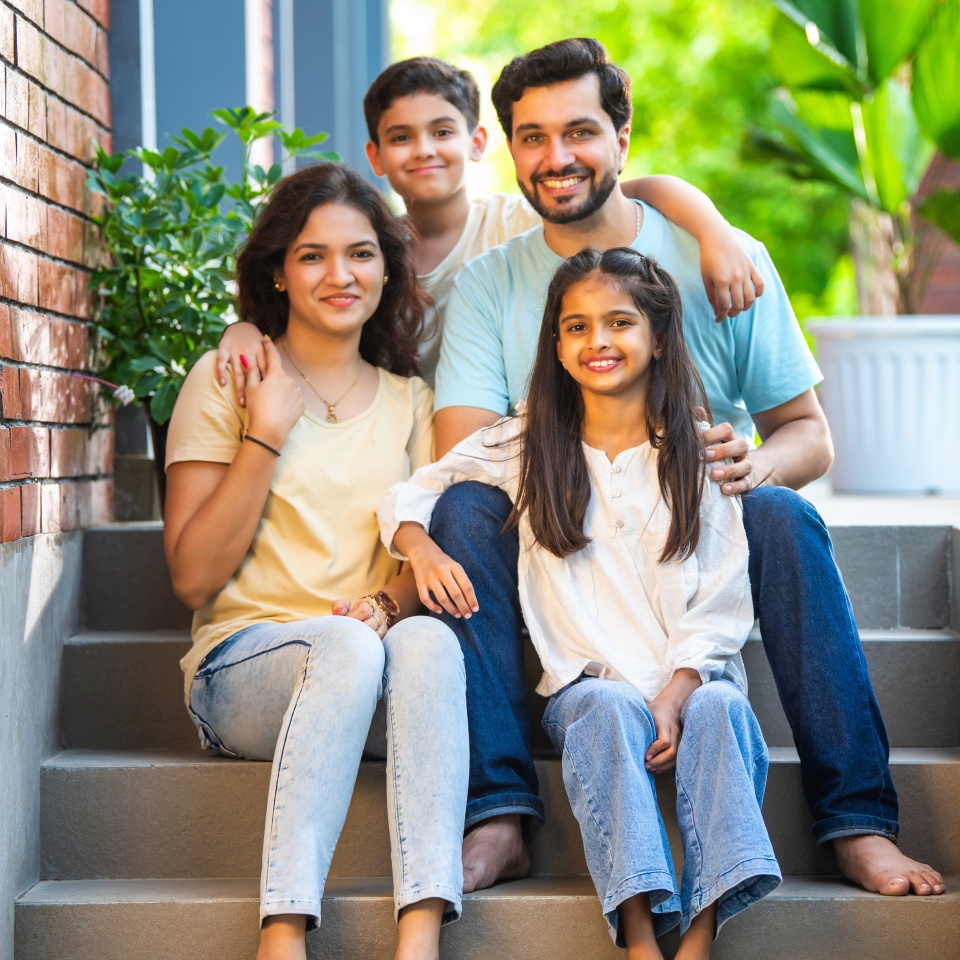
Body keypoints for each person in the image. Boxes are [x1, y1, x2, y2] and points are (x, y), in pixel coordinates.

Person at [429, 37, 945, 898]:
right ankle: (500, 812)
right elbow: (465, 458)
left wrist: (754, 464)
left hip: (701, 521)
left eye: (580, 131)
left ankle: (857, 821)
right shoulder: (491, 285)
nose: (556, 157)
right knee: (461, 516)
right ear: (511, 149)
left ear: (624, 138)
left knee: (784, 513)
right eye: (531, 136)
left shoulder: (722, 258)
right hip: (566, 532)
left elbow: (808, 435)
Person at [378, 247, 782, 960]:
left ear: (658, 338)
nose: (597, 342)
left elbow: (724, 596)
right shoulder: (526, 444)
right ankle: (636, 933)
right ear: (557, 347)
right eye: (576, 327)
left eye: (620, 323)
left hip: (694, 679)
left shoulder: (701, 456)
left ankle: (700, 931)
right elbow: (413, 494)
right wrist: (425, 550)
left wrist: (680, 688)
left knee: (722, 708)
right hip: (588, 688)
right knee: (604, 709)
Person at [162, 162, 468, 960]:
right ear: (278, 271)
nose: (341, 275)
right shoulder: (230, 379)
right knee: (343, 646)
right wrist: (266, 431)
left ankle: (421, 932)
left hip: (364, 663)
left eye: (362, 254)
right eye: (313, 256)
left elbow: (418, 558)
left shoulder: (413, 403)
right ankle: (284, 932)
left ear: (388, 269)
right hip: (243, 671)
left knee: (430, 641)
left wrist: (389, 606)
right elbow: (192, 577)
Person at [217, 56, 764, 392]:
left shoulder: (520, 218)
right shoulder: (366, 251)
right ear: (375, 156)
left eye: (442, 131)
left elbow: (625, 193)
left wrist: (712, 228)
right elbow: (301, 304)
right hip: (405, 439)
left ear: (477, 143)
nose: (424, 150)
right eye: (401, 137)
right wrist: (244, 330)